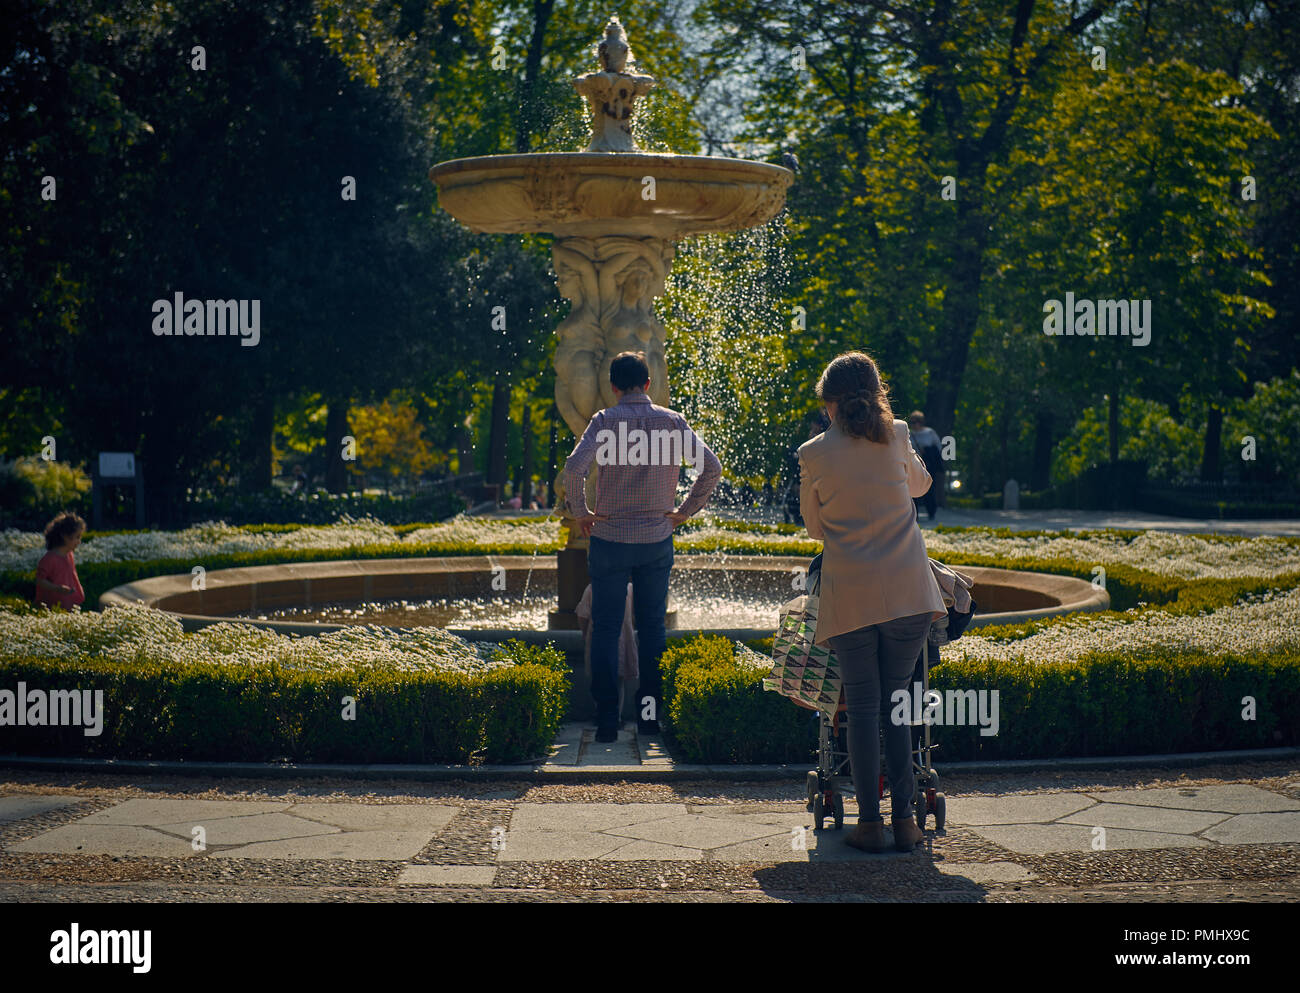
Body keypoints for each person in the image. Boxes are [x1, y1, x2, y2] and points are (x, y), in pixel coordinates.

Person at [799, 353, 946, 853]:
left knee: (861, 708)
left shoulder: (814, 453)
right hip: (908, 593)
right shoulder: (900, 434)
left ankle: (869, 826)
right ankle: (905, 823)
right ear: (878, 391)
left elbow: (815, 529)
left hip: (853, 595)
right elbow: (922, 486)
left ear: (829, 404)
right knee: (897, 706)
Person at [565, 351, 722, 742]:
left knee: (605, 627)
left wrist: (580, 511)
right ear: (648, 384)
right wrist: (685, 511)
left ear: (614, 387)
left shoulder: (604, 421)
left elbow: (573, 468)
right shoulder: (672, 423)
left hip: (610, 538)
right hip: (655, 538)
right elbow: (712, 467)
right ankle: (649, 717)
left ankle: (606, 720)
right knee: (652, 629)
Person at [34, 511, 87, 610]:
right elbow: (39, 580)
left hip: (68, 606)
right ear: (65, 536)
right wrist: (57, 588)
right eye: (77, 537)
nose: (79, 541)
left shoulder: (69, 555)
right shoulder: (50, 558)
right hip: (51, 608)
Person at [907, 411, 943, 520]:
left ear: (921, 422)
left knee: (929, 488)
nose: (914, 424)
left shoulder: (930, 433)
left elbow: (938, 447)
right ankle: (915, 513)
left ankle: (931, 511)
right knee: (912, 487)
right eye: (912, 422)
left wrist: (927, 452)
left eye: (916, 422)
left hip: (928, 464)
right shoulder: (908, 433)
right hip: (913, 464)